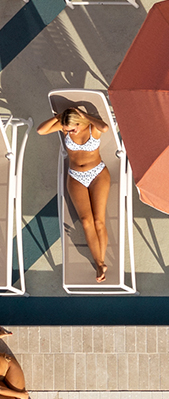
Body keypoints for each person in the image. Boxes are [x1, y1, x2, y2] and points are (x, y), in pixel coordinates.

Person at [37, 105, 111, 282]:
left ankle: (100, 265)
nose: (70, 131)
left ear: (80, 121)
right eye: (67, 128)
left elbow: (105, 127)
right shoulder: (66, 127)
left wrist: (83, 115)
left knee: (98, 221)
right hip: (76, 176)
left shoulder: (93, 128)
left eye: (73, 127)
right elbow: (41, 130)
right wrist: (62, 117)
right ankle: (100, 263)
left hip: (97, 174)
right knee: (86, 222)